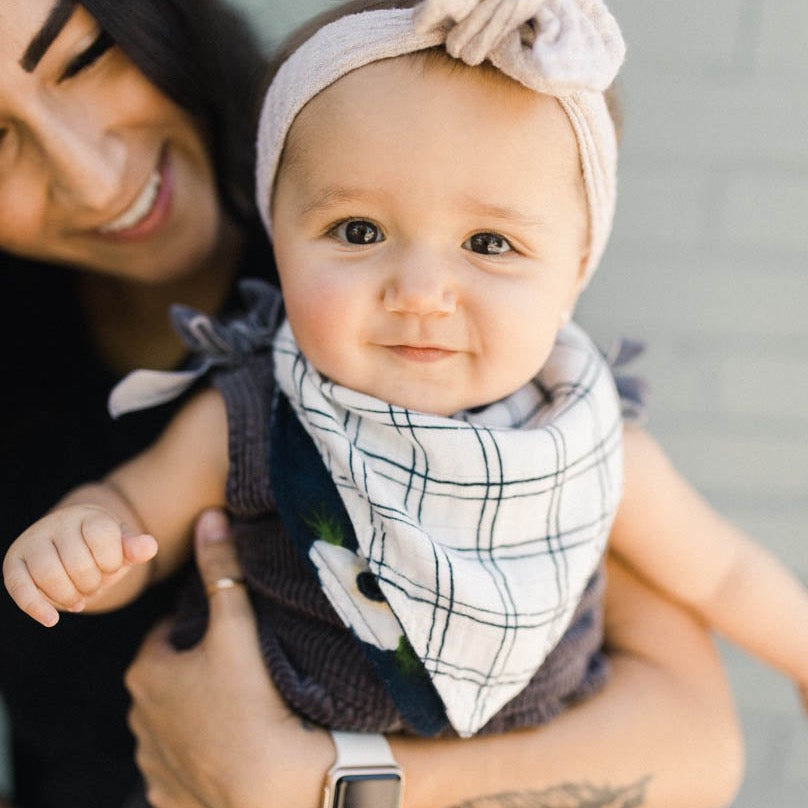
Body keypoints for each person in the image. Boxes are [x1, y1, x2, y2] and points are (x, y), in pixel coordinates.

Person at [5, 0, 807, 770]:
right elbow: (135, 511)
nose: (420, 290)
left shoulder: (583, 440)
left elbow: (723, 575)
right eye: (359, 232)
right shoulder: (259, 411)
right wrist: (82, 542)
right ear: (281, 245)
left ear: (571, 280)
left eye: (488, 242)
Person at [0, 0, 273, 805]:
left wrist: (324, 783)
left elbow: (670, 719)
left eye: (83, 60)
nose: (91, 178)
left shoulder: (395, 266)